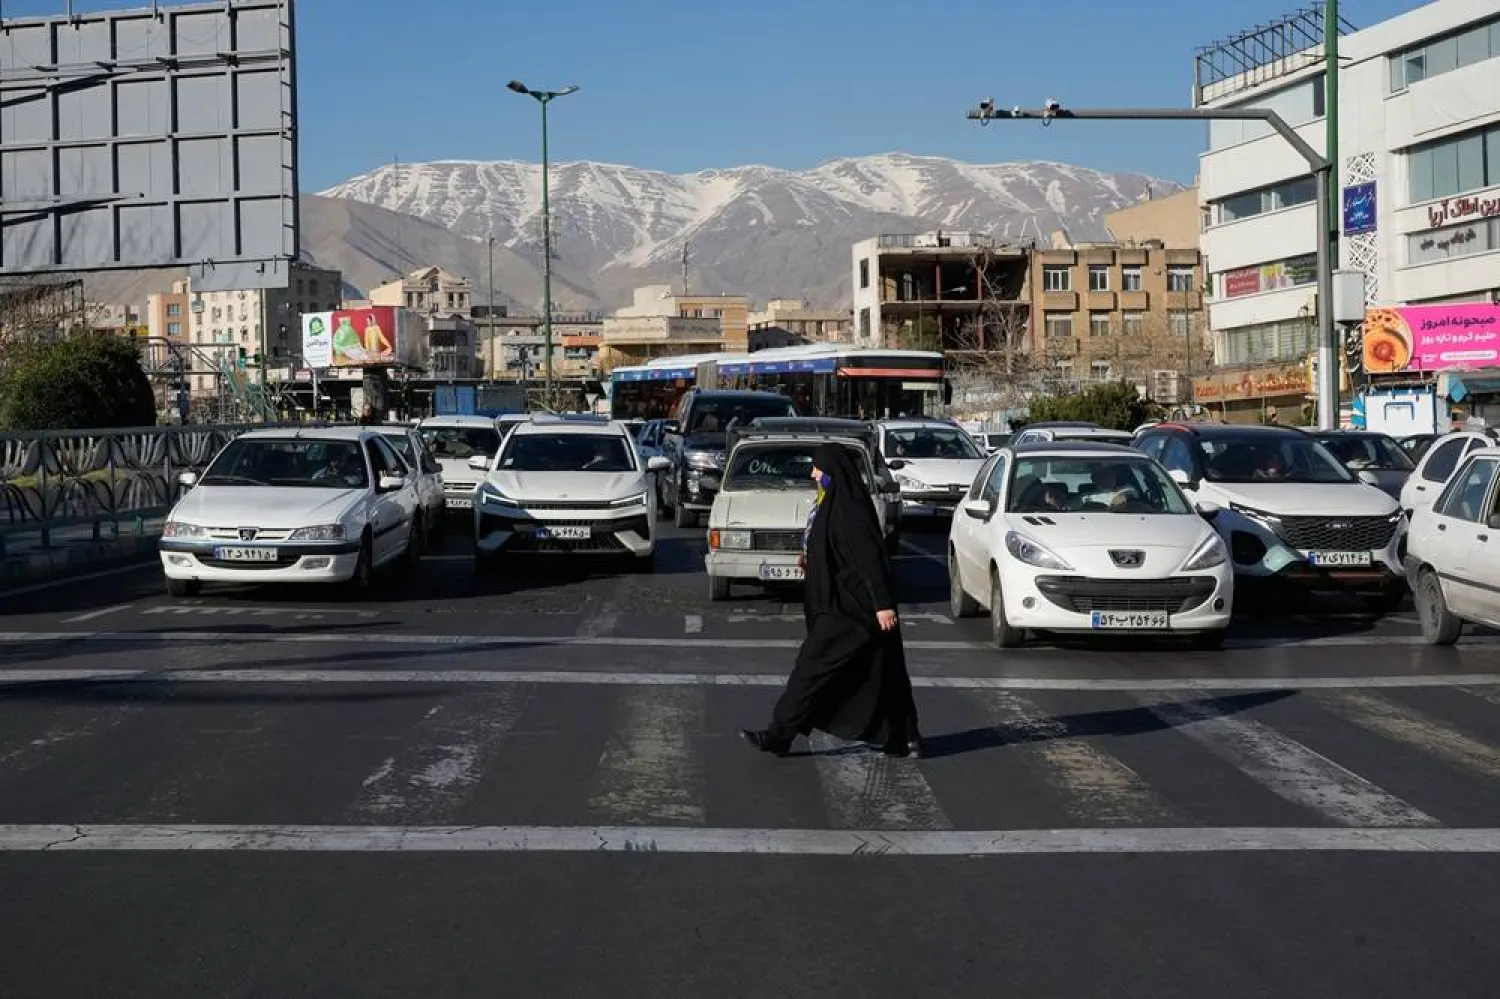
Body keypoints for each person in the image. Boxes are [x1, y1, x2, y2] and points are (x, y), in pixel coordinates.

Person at [741, 442, 922, 759]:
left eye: (817, 469)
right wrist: (811, 558)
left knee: (808, 672)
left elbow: (869, 558)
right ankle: (905, 737)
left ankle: (778, 735)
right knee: (884, 671)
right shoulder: (832, 504)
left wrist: (882, 604)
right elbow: (833, 548)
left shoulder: (850, 511)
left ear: (833, 473)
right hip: (843, 605)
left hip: (848, 609)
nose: (812, 474)